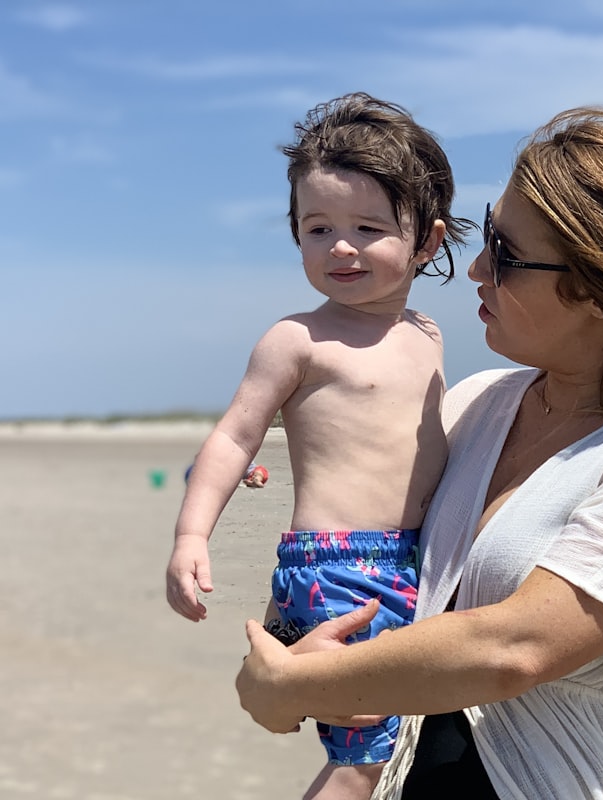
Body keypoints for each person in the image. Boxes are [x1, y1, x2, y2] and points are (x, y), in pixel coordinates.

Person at [236, 106, 603, 800]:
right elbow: (357, 556)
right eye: (487, 235)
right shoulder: (477, 403)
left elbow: (515, 649)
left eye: (508, 255)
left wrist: (295, 684)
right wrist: (279, 655)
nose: (477, 268)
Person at [165, 93, 472, 799]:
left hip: (411, 559)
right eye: (317, 227)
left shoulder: (426, 334)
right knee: (364, 752)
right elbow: (235, 435)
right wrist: (191, 534)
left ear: (426, 242)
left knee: (402, 744)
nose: (340, 245)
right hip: (339, 565)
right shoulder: (297, 338)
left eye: (368, 227)